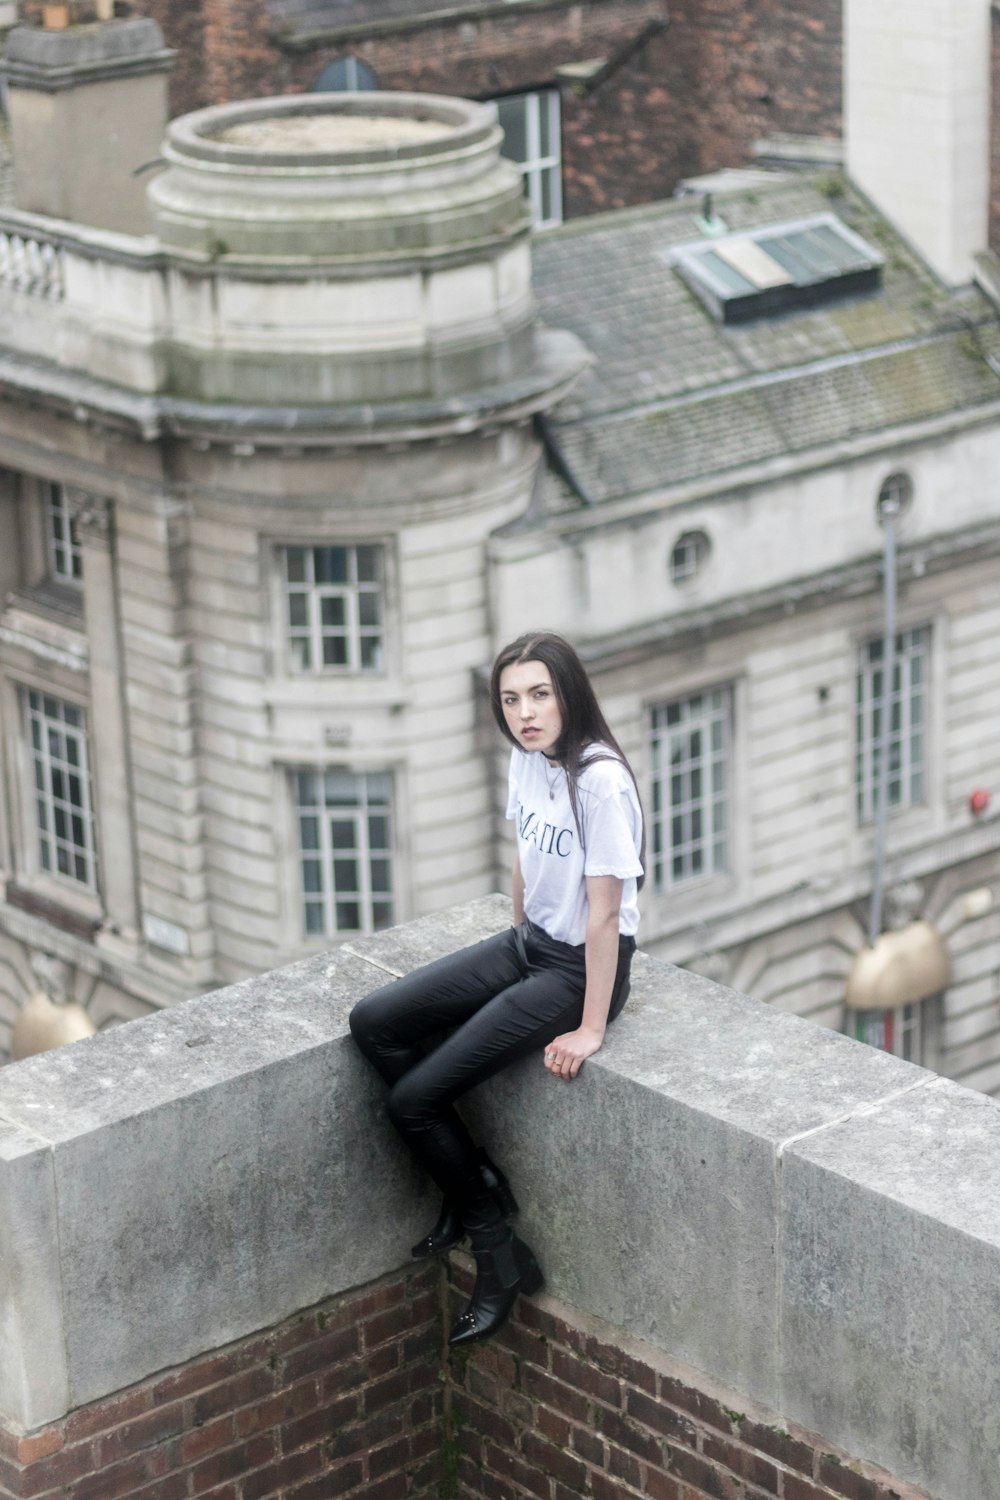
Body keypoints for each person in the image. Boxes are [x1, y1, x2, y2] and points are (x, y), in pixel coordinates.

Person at [349, 630, 644, 1346]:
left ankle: (492, 1243)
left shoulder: (600, 781)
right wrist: (511, 943)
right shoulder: (527, 760)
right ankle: (472, 1181)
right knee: (374, 1021)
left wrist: (593, 1027)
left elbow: (605, 914)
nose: (525, 712)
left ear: (569, 693)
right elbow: (524, 860)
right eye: (511, 699)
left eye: (540, 694)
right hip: (529, 946)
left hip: (577, 971)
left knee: (412, 1100)